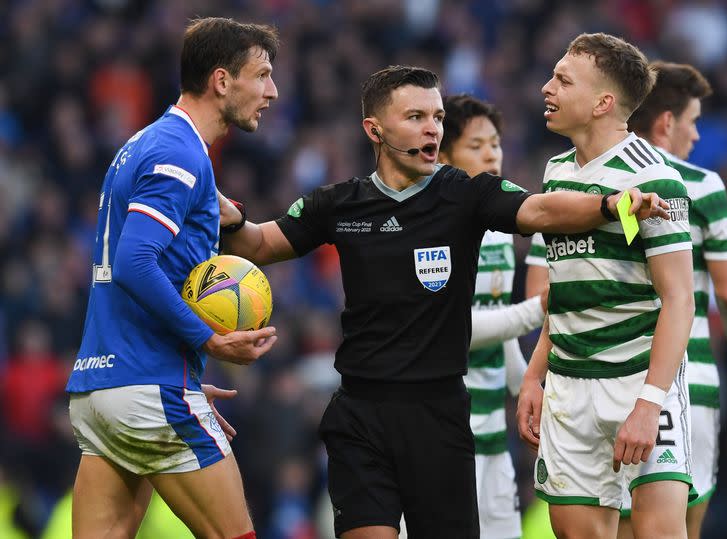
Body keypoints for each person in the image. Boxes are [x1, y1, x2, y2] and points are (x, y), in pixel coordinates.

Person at [218, 65, 670, 539]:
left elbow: (539, 209)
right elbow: (260, 244)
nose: (432, 127)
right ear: (375, 129)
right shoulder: (339, 203)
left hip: (438, 415)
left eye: (436, 116)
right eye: (415, 116)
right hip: (360, 415)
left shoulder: (464, 194)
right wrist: (231, 219)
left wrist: (609, 204)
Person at [66, 17, 279, 539]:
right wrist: (209, 340)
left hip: (100, 388)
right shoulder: (179, 151)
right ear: (222, 81)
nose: (272, 91)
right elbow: (135, 262)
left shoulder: (143, 144)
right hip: (147, 385)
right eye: (263, 75)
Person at [516, 33, 696, 539]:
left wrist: (648, 404)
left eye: (562, 80)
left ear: (603, 103)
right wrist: (536, 374)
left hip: (638, 379)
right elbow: (563, 292)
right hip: (569, 387)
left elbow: (680, 300)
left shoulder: (655, 178)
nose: (546, 87)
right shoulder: (555, 175)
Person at [617, 61, 727, 539]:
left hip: (610, 373)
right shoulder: (701, 184)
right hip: (685, 378)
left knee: (616, 523)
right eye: (693, 121)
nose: (697, 135)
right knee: (681, 524)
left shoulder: (591, 177)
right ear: (667, 121)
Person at [437, 94, 545, 539]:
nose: (491, 154)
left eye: (496, 144)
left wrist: (526, 387)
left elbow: (496, 324)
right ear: (444, 158)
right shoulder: (436, 231)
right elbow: (448, 333)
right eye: (477, 145)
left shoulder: (499, 237)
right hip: (444, 435)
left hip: (493, 435)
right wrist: (538, 309)